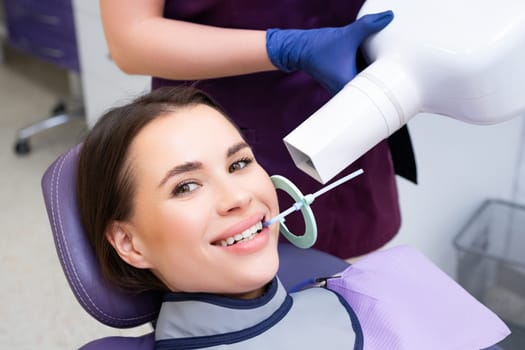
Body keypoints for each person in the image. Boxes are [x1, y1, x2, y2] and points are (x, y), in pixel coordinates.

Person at [76, 86, 508, 349]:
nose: (238, 197)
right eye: (186, 186)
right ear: (129, 243)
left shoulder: (385, 282)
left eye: (239, 164)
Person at [99, 1, 418, 260]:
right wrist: (284, 47)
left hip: (352, 120)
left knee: (357, 297)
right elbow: (130, 38)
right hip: (229, 136)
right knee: (244, 294)